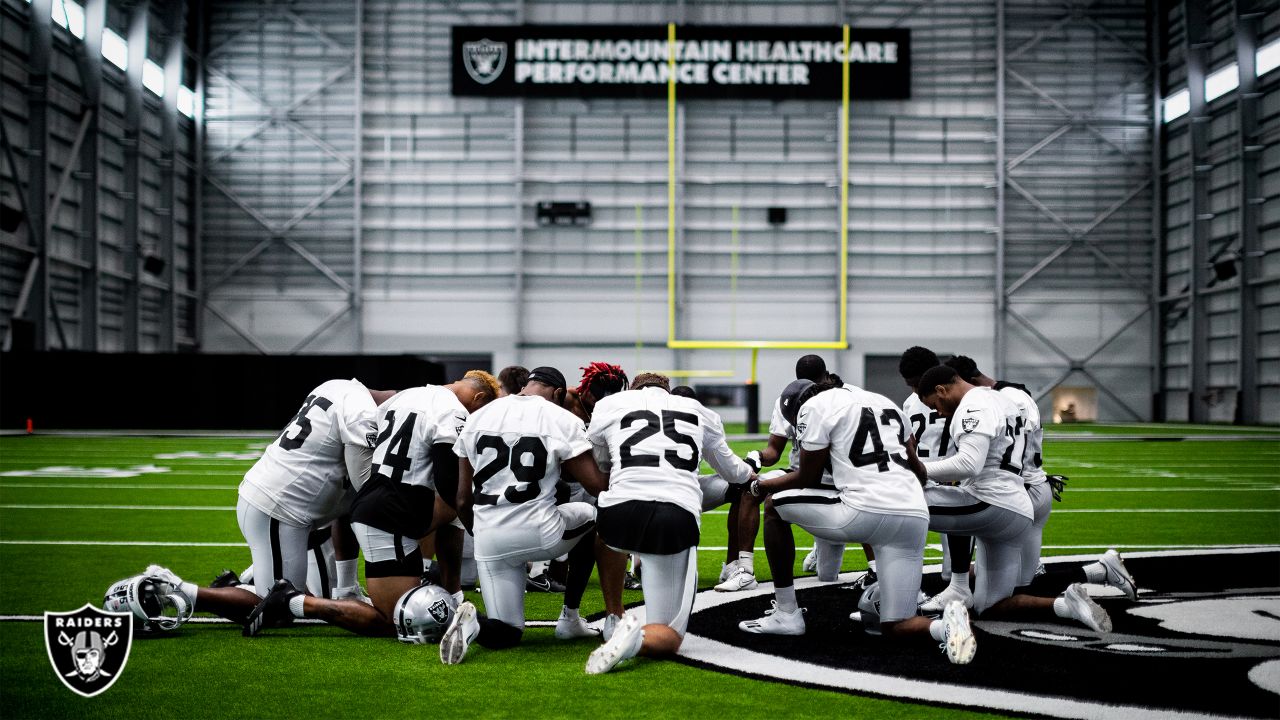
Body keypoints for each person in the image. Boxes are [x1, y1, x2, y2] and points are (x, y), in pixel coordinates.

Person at [735, 379, 977, 664]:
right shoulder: (883, 400)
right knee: (896, 625)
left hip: (865, 511)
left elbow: (807, 478)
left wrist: (762, 486)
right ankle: (945, 627)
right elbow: (918, 466)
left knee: (774, 506)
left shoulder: (813, 408)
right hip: (914, 513)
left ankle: (787, 614)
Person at [242, 372, 500, 637]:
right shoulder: (453, 410)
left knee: (444, 513)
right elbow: (449, 485)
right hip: (387, 515)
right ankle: (291, 600)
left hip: (373, 505)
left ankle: (342, 587)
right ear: (478, 397)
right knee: (394, 620)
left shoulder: (404, 397)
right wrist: (478, 521)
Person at [907, 365, 1113, 632]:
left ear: (941, 389)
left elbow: (969, 464)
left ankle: (895, 595)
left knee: (899, 507)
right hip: (1017, 508)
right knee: (990, 606)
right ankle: (1065, 606)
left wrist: (916, 469)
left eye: (934, 404)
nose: (937, 411)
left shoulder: (974, 404)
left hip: (991, 502)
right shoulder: (1003, 399)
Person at [582, 374, 756, 674]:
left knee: (605, 523)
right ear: (668, 390)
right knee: (668, 635)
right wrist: (752, 471)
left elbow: (599, 465)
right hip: (673, 516)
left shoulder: (610, 404)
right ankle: (635, 641)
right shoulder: (698, 410)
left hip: (618, 515)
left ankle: (614, 615)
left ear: (634, 389)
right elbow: (732, 472)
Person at [438, 366, 610, 664]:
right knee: (597, 518)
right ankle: (570, 617)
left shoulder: (478, 417)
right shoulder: (560, 417)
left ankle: (474, 622)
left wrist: (482, 537)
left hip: (489, 537)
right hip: (538, 530)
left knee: (508, 632)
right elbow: (596, 485)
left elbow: (463, 498)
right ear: (557, 393)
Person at [941, 356, 1136, 602]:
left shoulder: (993, 401)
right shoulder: (1014, 394)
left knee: (1008, 591)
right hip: (1033, 488)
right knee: (1015, 582)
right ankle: (1099, 570)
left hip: (1018, 493)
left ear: (965, 382)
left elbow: (995, 453)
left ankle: (1099, 572)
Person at [717, 355, 853, 593]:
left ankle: (871, 567)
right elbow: (774, 450)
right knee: (750, 490)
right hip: (799, 473)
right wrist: (755, 457)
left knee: (828, 577)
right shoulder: (791, 397)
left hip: (841, 479)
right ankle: (744, 570)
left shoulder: (845, 398)